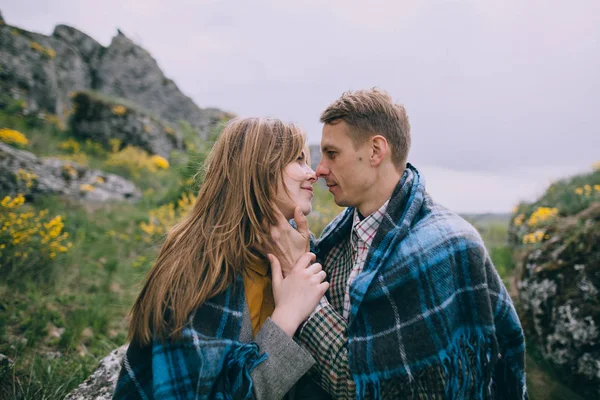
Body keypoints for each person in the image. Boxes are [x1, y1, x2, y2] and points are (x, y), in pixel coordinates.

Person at [270, 89, 527, 399]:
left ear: (377, 151)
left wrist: (301, 287)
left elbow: (360, 385)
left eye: (332, 154)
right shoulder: (340, 235)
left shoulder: (446, 247)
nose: (319, 169)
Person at [113, 117, 331, 400]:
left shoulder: (301, 249)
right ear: (259, 168)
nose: (312, 173)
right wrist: (287, 317)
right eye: (298, 160)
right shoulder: (200, 265)